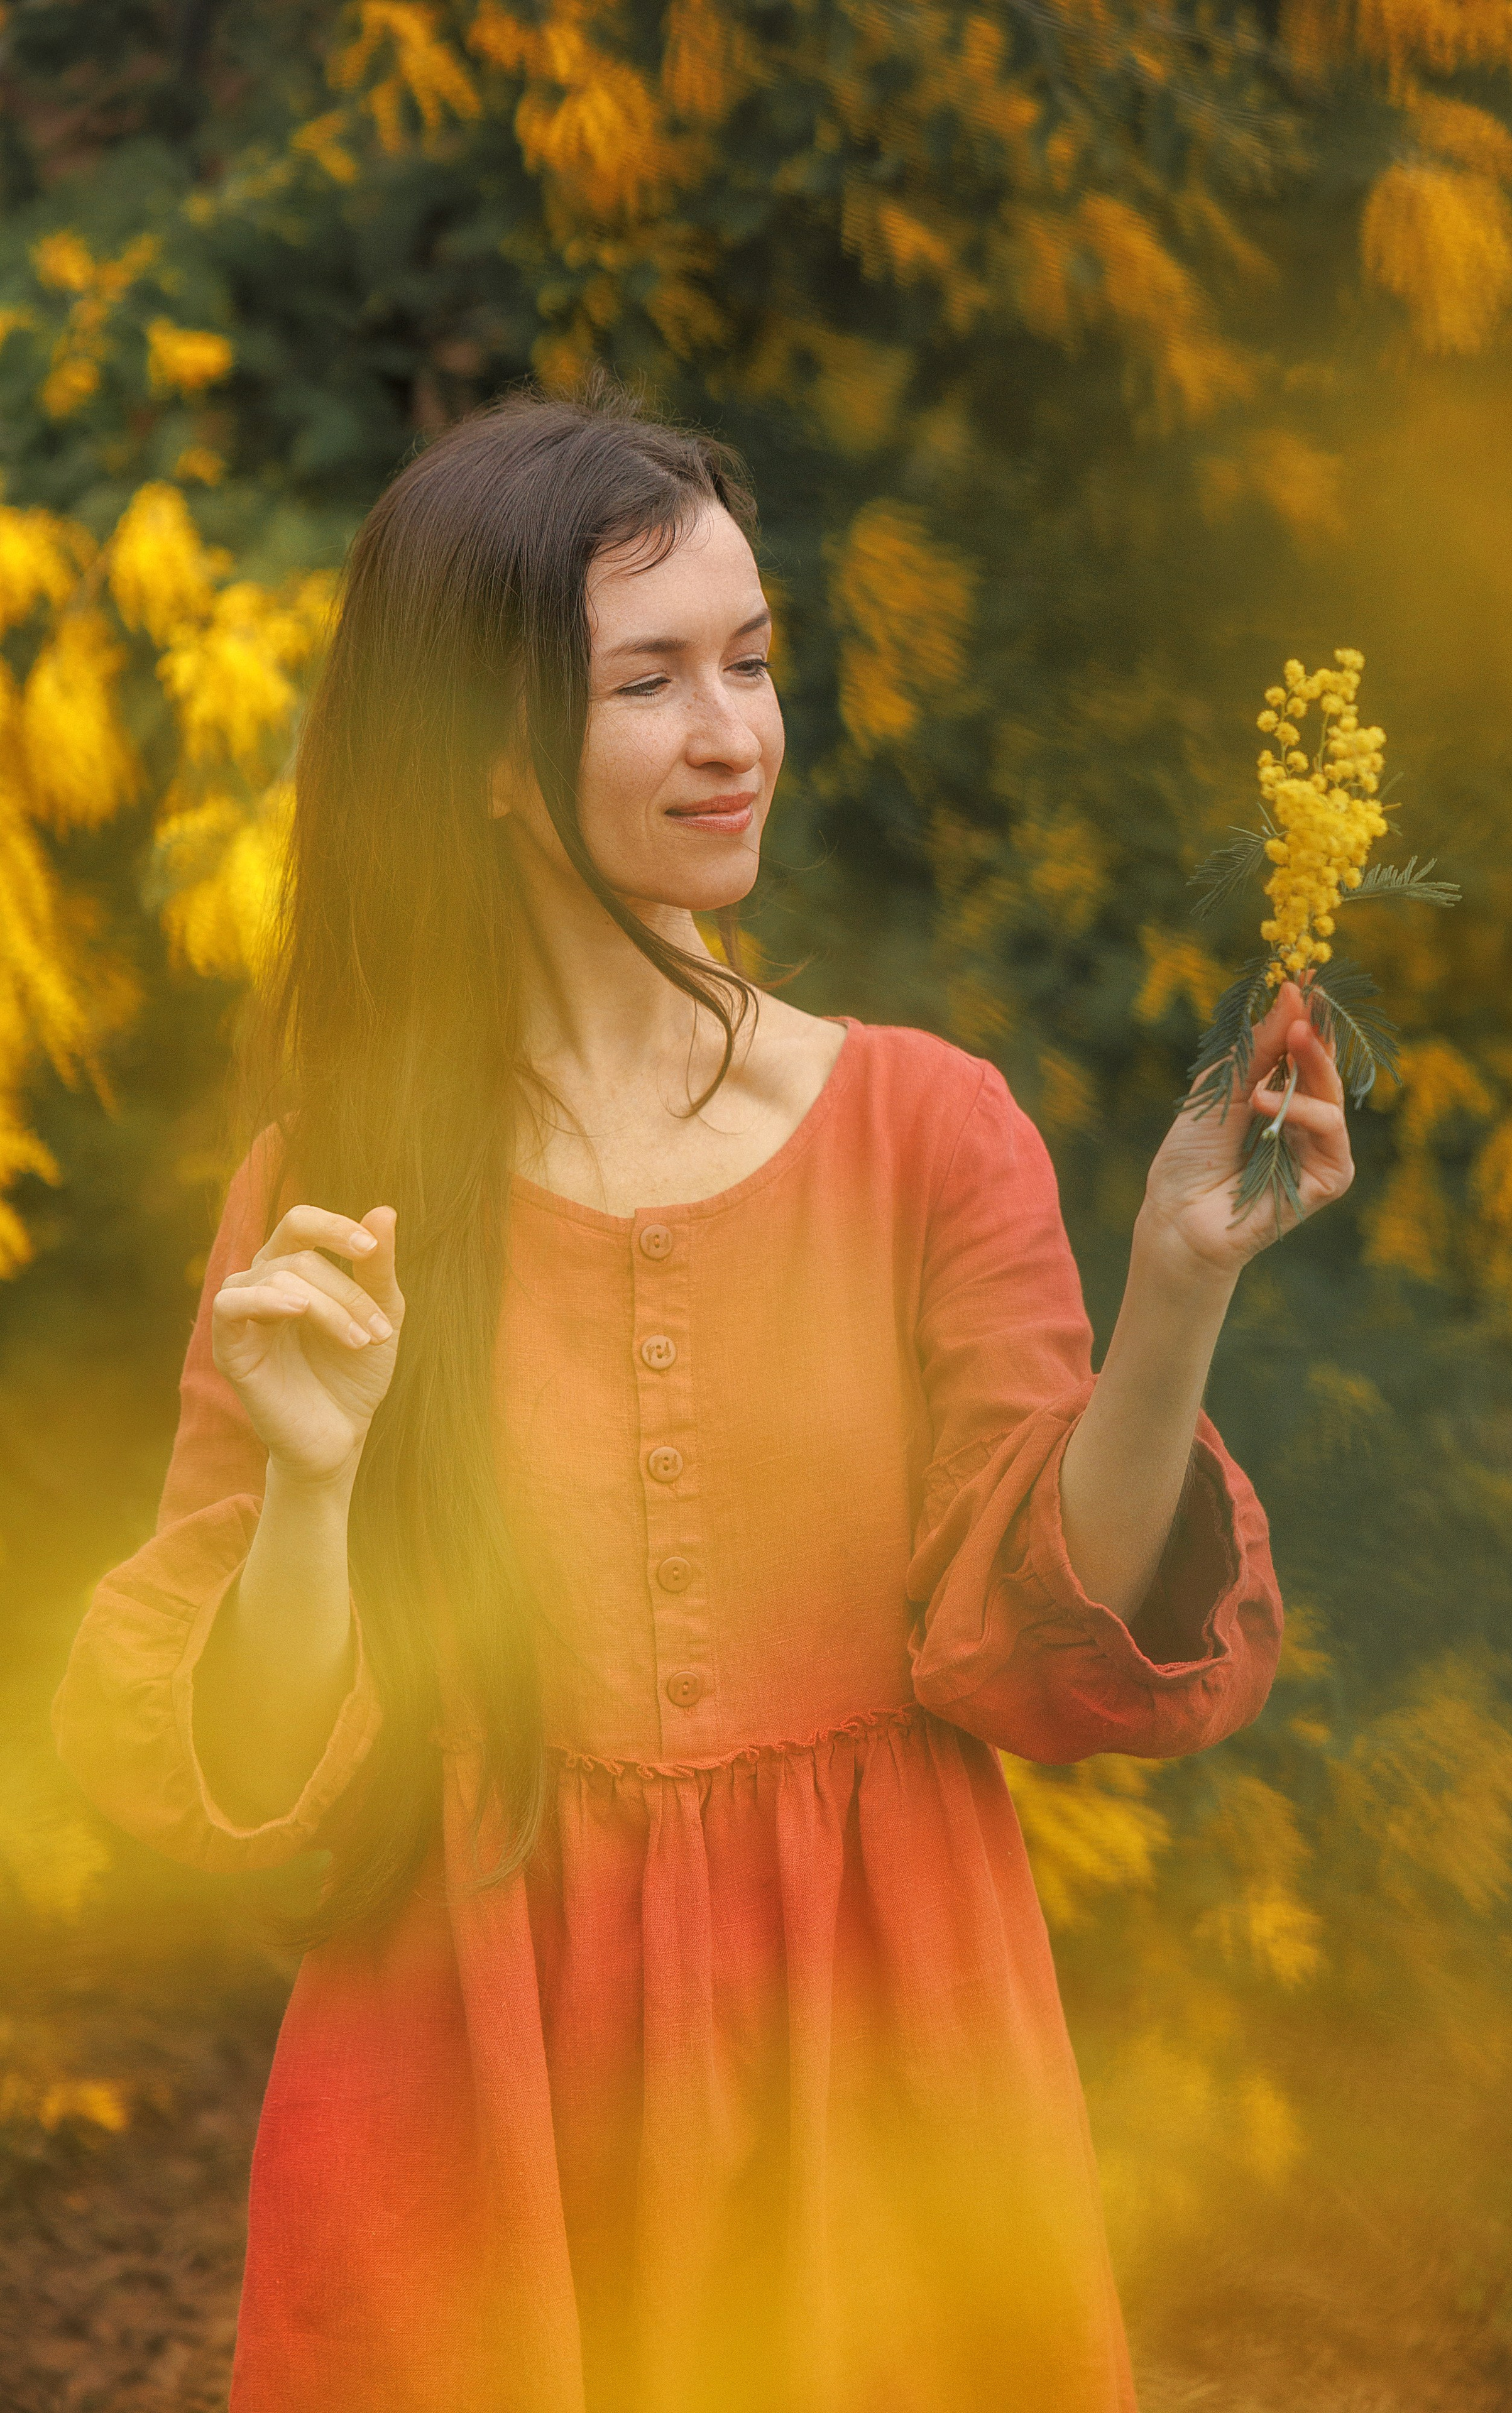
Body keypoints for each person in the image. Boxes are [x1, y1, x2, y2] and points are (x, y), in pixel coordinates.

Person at [54, 388, 1352, 2413]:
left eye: (750, 661)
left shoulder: (931, 1126)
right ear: (486, 755)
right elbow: (248, 1776)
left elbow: (1049, 1647)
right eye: (648, 681)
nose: (735, 734)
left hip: (882, 2055)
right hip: (466, 2099)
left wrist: (1179, 1284)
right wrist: (313, 1496)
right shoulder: (339, 1184)